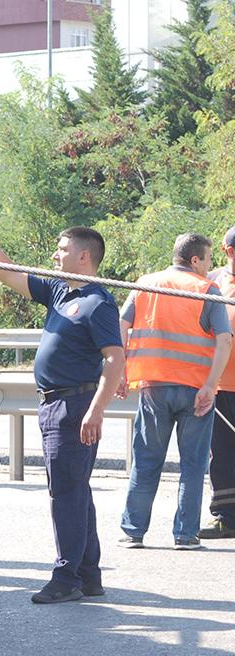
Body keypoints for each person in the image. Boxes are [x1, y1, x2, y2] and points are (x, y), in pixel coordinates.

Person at [0, 205, 124, 604]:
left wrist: (97, 409)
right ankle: (88, 574)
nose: (55, 253)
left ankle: (65, 577)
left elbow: (114, 357)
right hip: (54, 404)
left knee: (66, 494)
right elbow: (7, 274)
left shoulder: (97, 302)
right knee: (75, 489)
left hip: (75, 406)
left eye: (62, 247)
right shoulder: (60, 291)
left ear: (83, 255)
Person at [119, 233, 233, 549]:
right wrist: (211, 385)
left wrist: (121, 371)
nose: (210, 266)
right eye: (208, 259)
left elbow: (121, 325)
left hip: (153, 386)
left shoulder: (146, 283)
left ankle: (133, 532)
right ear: (195, 259)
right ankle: (185, 535)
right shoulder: (207, 289)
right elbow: (224, 339)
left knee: (145, 461)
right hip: (197, 390)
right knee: (193, 465)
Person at [201, 226, 235, 539]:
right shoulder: (212, 283)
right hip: (223, 384)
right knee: (222, 454)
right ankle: (226, 517)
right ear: (228, 251)